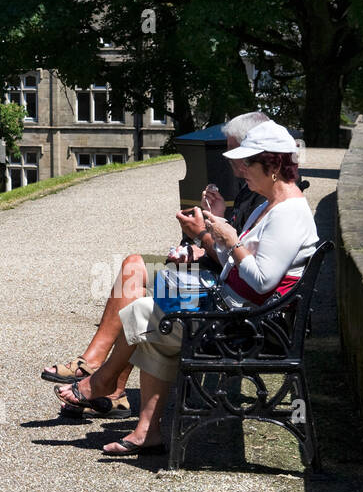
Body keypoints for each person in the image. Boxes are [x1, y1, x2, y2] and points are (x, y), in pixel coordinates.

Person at [55, 119, 319, 454]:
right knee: (149, 320)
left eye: (249, 162)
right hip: (238, 312)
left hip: (247, 327)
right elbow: (236, 269)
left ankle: (102, 382)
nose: (241, 169)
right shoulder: (271, 206)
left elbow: (262, 280)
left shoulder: (288, 213)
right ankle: (143, 429)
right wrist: (218, 237)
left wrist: (230, 241)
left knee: (144, 314)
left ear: (273, 166)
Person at [42, 111, 271, 408]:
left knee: (143, 291)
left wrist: (202, 236)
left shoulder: (264, 193)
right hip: (213, 272)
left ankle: (105, 381)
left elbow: (240, 260)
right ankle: (98, 370)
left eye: (235, 150)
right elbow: (232, 247)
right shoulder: (251, 186)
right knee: (134, 265)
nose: (229, 157)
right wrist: (215, 222)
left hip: (221, 290)